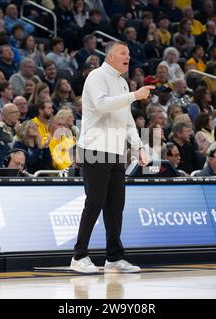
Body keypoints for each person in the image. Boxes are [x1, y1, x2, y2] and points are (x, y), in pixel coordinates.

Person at [70, 41, 154, 274]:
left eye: (128, 53)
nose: (128, 56)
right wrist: (134, 96)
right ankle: (79, 256)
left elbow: (127, 120)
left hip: (116, 151)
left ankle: (114, 258)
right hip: (95, 148)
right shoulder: (97, 76)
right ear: (109, 57)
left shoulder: (121, 82)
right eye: (123, 53)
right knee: (95, 202)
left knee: (116, 206)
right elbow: (100, 105)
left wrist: (139, 147)